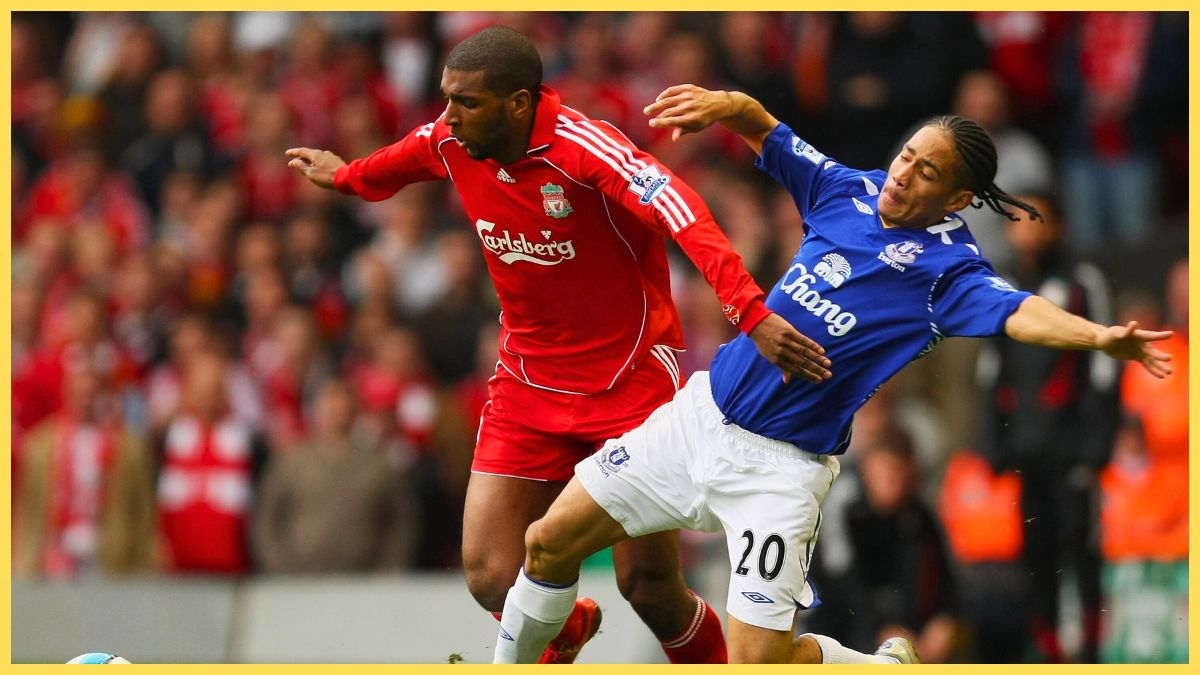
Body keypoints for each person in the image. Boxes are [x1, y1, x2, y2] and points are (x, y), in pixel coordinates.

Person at [491, 84, 1173, 664]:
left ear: (959, 197)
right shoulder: (848, 189)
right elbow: (767, 128)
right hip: (698, 419)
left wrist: (1097, 336)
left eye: (927, 173)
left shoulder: (950, 273)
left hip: (779, 472)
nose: (903, 174)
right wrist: (721, 104)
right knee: (546, 543)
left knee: (757, 662)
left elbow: (1021, 312)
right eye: (907, 155)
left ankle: (875, 666)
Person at [286, 26, 829, 664]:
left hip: (628, 381)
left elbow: (681, 208)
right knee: (491, 574)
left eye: (467, 102)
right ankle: (563, 630)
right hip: (527, 380)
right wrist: (346, 176)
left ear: (518, 103)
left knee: (649, 587)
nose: (448, 116)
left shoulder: (584, 147)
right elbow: (398, 163)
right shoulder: (453, 140)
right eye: (447, 98)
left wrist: (748, 309)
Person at [977, 192, 1118, 662]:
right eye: (1016, 219)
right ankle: (1048, 657)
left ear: (1057, 225)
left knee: (1081, 552)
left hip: (1073, 451)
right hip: (1026, 450)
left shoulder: (1083, 281)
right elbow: (990, 369)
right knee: (1035, 561)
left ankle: (1091, 655)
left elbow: (1104, 365)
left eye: (1035, 217)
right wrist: (995, 442)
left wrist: (1096, 445)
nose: (1025, 228)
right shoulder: (1001, 285)